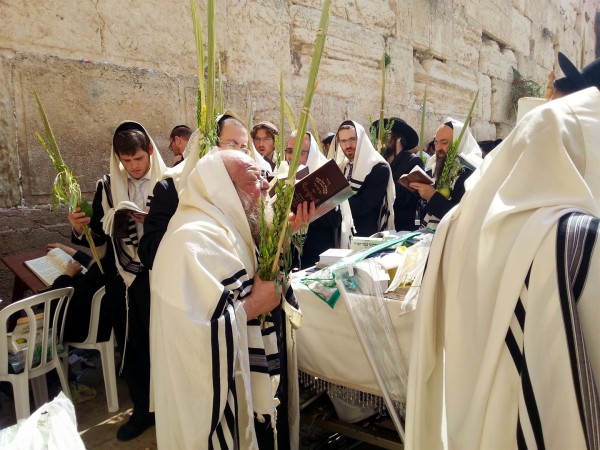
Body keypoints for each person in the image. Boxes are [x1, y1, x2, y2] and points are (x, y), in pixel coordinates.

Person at [406, 86, 600, 449]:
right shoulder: (576, 238)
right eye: (438, 142)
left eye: (446, 142)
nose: (441, 148)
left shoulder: (458, 222)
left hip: (463, 411)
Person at [150, 151, 311, 449]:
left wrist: (285, 234)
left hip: (252, 383)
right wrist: (251, 307)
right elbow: (190, 338)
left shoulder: (232, 226)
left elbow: (258, 272)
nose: (266, 186)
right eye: (254, 178)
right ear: (221, 189)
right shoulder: (191, 241)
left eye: (264, 177)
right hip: (224, 400)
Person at [68, 120, 166, 441]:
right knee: (132, 346)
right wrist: (80, 227)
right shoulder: (107, 187)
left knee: (164, 345)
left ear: (150, 151)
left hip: (161, 277)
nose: (134, 167)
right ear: (118, 159)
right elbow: (97, 234)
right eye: (127, 161)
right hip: (123, 282)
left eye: (139, 159)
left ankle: (169, 408)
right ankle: (142, 410)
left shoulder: (169, 182)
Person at [139, 114, 253, 269]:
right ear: (209, 145)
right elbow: (149, 253)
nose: (239, 154)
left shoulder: (245, 191)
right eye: (232, 145)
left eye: (243, 148)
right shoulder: (171, 189)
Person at [410, 119, 482, 230]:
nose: (438, 148)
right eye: (436, 142)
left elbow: (462, 216)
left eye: (444, 142)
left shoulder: (470, 171)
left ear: (459, 143)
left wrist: (432, 196)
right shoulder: (434, 165)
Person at [284, 131, 342, 268]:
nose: (293, 157)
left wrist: (310, 213)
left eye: (300, 152)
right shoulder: (281, 174)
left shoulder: (327, 177)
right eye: (289, 151)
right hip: (289, 255)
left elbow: (336, 220)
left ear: (312, 154)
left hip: (316, 252)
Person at [333, 120, 395, 237]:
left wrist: (332, 201)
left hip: (365, 236)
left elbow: (364, 205)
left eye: (352, 139)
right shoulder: (343, 166)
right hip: (342, 232)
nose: (348, 145)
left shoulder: (378, 167)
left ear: (361, 139)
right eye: (343, 141)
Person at [46, 243, 111, 343]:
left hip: (83, 332)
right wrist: (70, 251)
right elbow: (97, 266)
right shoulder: (116, 264)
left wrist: (67, 275)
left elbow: (57, 298)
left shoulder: (93, 281)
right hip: (110, 326)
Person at [372, 117, 424, 231]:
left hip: (400, 228)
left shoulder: (414, 162)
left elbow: (407, 198)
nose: (381, 139)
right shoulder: (378, 162)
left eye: (386, 135)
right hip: (377, 225)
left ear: (398, 138)